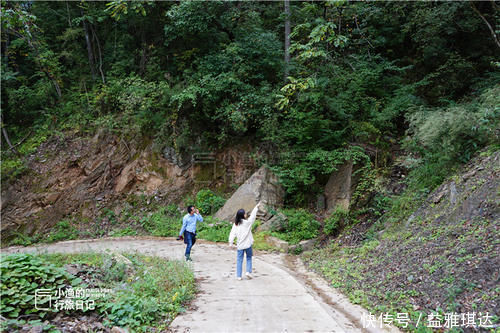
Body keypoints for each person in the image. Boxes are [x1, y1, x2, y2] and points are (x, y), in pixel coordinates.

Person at [228, 202, 261, 280]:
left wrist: (231, 243)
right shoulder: (247, 223)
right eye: (245, 213)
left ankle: (239, 276)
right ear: (243, 215)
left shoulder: (235, 224)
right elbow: (252, 217)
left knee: (239, 260)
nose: (246, 214)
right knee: (249, 257)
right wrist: (256, 207)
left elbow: (232, 234)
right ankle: (248, 272)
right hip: (248, 244)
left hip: (240, 245)